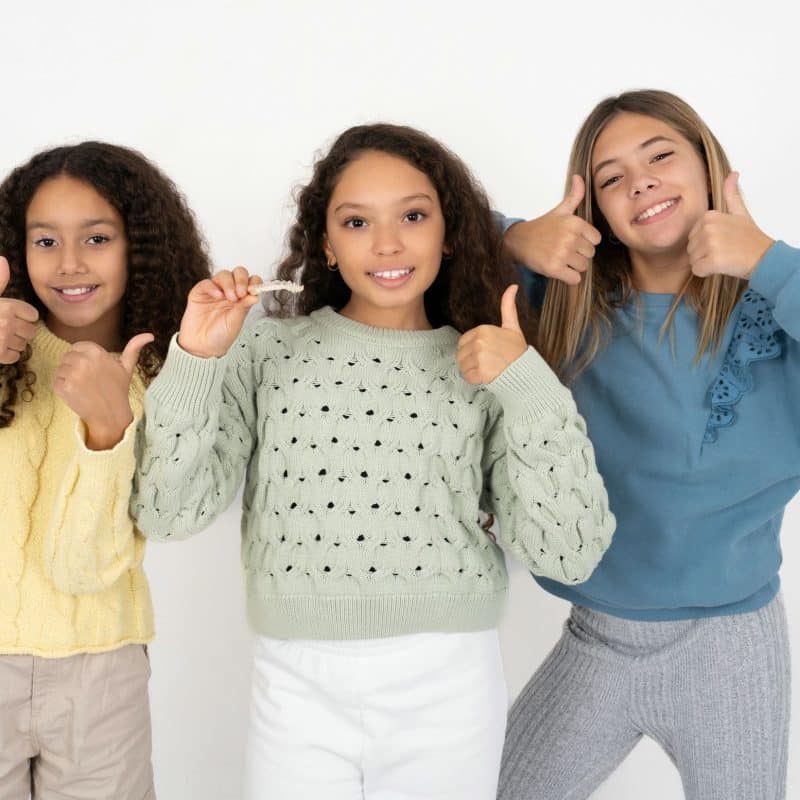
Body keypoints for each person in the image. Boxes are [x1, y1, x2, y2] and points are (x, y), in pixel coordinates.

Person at [131, 123, 615, 800]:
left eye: (413, 216)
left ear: (449, 232)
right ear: (325, 243)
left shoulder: (487, 359)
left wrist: (528, 384)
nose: (387, 244)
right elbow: (168, 512)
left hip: (448, 681)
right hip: (294, 683)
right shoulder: (265, 351)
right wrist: (196, 358)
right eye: (357, 222)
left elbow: (568, 554)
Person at [497, 89, 798, 800]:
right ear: (596, 210)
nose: (641, 182)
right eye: (611, 177)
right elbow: (422, 228)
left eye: (661, 155)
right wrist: (513, 237)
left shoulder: (775, 309)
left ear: (707, 163)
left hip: (734, 648)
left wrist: (769, 260)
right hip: (597, 639)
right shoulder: (568, 302)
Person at [0, 141, 210, 799]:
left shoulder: (172, 381)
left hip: (101, 671)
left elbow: (82, 569)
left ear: (138, 247)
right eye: (44, 241)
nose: (68, 265)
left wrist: (107, 430)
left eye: (96, 238)